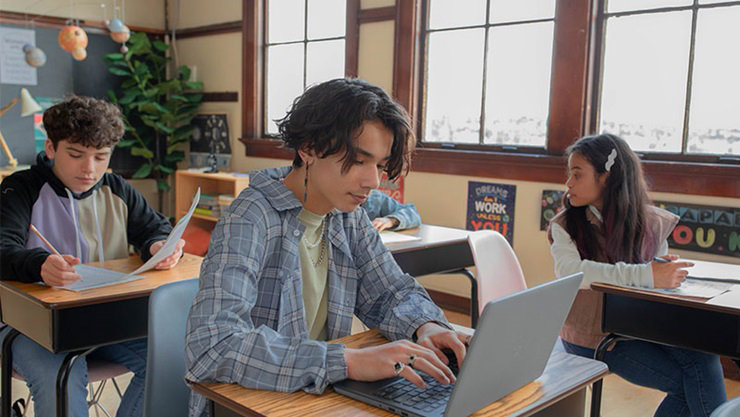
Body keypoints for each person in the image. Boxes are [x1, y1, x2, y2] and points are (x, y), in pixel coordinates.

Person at [185, 78, 467, 416]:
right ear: (308, 148)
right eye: (360, 161)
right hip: (253, 406)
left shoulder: (347, 215)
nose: (373, 182)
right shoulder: (251, 217)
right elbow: (213, 345)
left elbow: (389, 292)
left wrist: (426, 326)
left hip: (316, 399)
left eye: (379, 165)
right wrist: (346, 361)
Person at [0, 95, 186, 417]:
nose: (90, 169)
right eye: (76, 155)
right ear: (51, 149)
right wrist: (39, 265)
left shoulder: (116, 188)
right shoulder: (21, 189)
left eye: (101, 157)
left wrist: (157, 246)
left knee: (175, 359)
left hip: (104, 322)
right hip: (29, 324)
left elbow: (153, 228)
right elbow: (2, 249)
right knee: (62, 374)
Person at [547, 133, 726, 417]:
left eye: (577, 174)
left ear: (607, 176)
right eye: (569, 174)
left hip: (643, 327)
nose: (568, 183)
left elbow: (657, 280)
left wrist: (665, 273)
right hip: (592, 335)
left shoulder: (652, 222)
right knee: (689, 383)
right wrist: (647, 274)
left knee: (704, 355)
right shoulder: (565, 225)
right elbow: (573, 273)